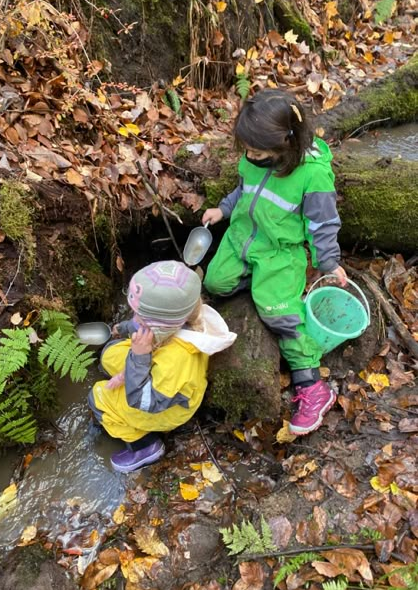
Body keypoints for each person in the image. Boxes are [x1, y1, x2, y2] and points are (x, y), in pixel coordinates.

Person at [202, 90, 347, 436]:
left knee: (277, 312)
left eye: (257, 150)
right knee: (215, 283)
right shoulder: (253, 160)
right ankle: (257, 284)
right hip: (242, 238)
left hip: (280, 252)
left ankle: (311, 385)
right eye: (247, 149)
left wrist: (328, 262)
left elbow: (323, 224)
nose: (249, 156)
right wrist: (223, 209)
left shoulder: (313, 176)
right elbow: (243, 191)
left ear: (287, 142)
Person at [89, 260, 236, 473]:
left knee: (98, 397)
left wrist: (138, 359)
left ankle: (144, 446)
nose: (135, 319)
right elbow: (147, 324)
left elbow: (143, 401)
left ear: (161, 325)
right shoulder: (182, 316)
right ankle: (131, 370)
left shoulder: (176, 361)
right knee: (109, 354)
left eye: (141, 318)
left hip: (164, 406)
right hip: (156, 367)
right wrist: (125, 328)